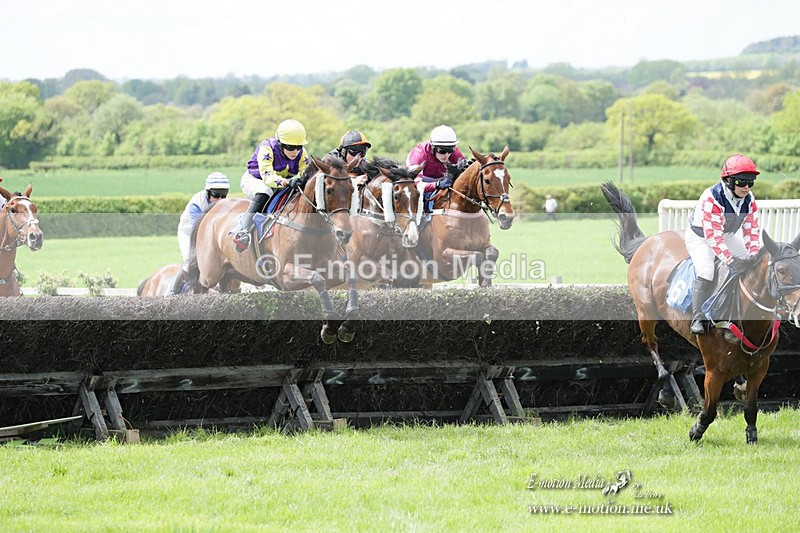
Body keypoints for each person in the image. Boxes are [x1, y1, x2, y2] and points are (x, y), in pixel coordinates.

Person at [685, 153, 762, 334]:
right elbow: (713, 237)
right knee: (707, 270)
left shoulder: (749, 199)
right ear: (729, 180)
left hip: (726, 235)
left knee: (752, 264)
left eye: (751, 182)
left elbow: (752, 232)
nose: (746, 187)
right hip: (701, 237)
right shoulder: (712, 197)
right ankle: (697, 316)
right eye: (742, 182)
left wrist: (754, 256)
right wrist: (730, 260)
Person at [233, 119, 310, 252]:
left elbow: (308, 174)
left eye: (299, 147)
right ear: (280, 143)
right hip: (256, 180)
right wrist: (288, 182)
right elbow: (268, 178)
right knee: (265, 190)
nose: (295, 151)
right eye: (290, 147)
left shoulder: (302, 153)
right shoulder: (267, 148)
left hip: (280, 184)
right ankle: (243, 232)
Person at [167, 172, 230, 295]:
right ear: (208, 192)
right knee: (190, 263)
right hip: (189, 234)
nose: (220, 200)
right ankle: (171, 293)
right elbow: (197, 231)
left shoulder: (225, 204)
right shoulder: (196, 204)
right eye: (216, 195)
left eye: (223, 195)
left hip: (209, 236)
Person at [406, 125, 467, 202]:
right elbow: (415, 185)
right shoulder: (419, 154)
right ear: (433, 147)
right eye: (442, 151)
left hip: (440, 183)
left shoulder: (455, 153)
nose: (447, 155)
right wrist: (437, 184)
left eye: (450, 150)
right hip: (415, 186)